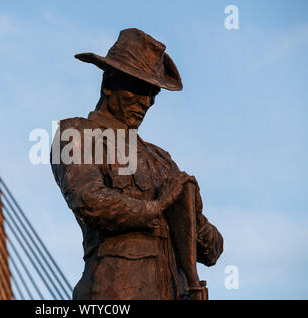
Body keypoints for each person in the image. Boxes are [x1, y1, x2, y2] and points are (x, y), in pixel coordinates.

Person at [51, 28, 223, 300]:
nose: (147, 103)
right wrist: (157, 207)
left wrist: (195, 215)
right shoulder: (76, 134)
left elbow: (212, 252)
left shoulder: (162, 160)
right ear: (108, 83)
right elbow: (89, 200)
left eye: (152, 93)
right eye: (139, 90)